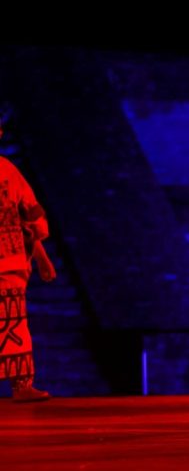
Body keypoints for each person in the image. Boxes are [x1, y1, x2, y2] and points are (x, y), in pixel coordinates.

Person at [0, 117, 56, 402]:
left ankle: (21, 384)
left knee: (14, 321)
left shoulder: (7, 170)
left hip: (8, 261)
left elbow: (29, 217)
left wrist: (43, 258)